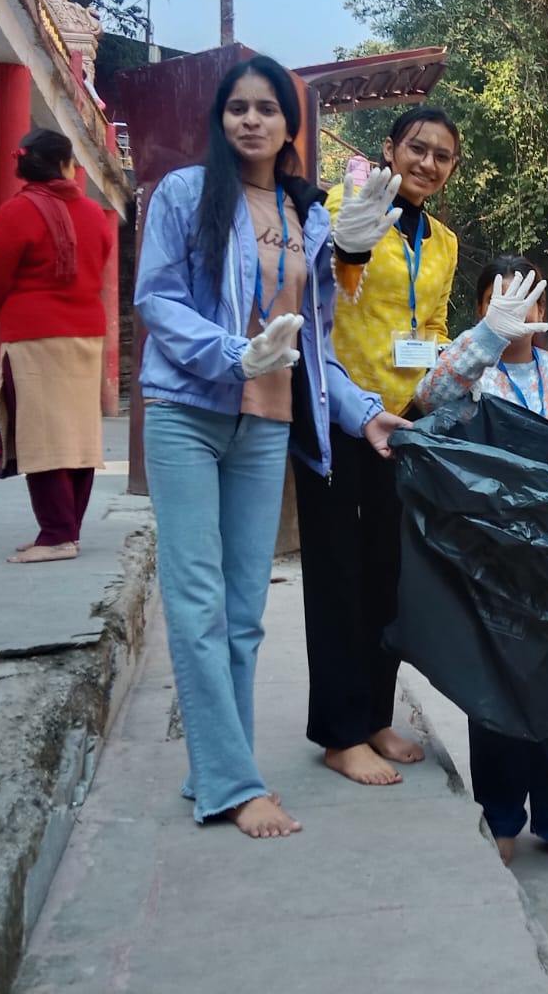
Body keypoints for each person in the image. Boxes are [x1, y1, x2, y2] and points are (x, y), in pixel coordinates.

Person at [135, 55, 404, 839]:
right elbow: (156, 298)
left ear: (290, 126)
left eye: (267, 109)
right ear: (221, 119)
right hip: (188, 410)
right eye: (237, 108)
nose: (251, 120)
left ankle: (216, 768)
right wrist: (229, 354)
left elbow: (316, 338)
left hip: (268, 423)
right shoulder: (185, 194)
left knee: (245, 611)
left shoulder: (305, 214)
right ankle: (230, 782)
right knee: (195, 602)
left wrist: (362, 415)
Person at [413, 256, 548, 872]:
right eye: (502, 300)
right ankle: (499, 815)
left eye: (529, 302)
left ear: (544, 315)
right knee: (493, 680)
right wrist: (486, 338)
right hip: (490, 551)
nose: (519, 311)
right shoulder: (470, 369)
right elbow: (427, 400)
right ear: (480, 310)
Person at [292, 106, 462, 786]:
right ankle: (338, 732)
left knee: (388, 573)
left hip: (406, 423)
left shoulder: (444, 241)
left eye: (442, 155)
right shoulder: (345, 205)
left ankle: (374, 715)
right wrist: (347, 249)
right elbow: (325, 299)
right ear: (390, 148)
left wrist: (445, 370)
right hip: (338, 414)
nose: (426, 162)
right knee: (338, 575)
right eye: (416, 148)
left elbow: (435, 321)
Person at [0, 128, 115, 564]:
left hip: (32, 333)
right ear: (65, 164)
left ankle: (57, 535)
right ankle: (65, 530)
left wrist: (16, 310)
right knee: (77, 434)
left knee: (40, 435)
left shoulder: (15, 212)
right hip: (85, 334)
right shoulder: (96, 213)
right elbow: (99, 261)